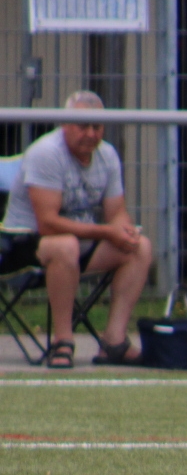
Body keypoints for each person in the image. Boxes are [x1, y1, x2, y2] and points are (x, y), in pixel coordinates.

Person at [0, 91, 152, 369]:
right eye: (83, 126)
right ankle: (63, 340)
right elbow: (48, 224)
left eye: (97, 127)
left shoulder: (107, 155)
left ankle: (114, 342)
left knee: (139, 247)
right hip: (22, 246)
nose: (91, 134)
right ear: (65, 124)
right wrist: (108, 232)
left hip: (77, 244)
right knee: (65, 245)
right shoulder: (46, 153)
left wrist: (124, 230)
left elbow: (116, 212)